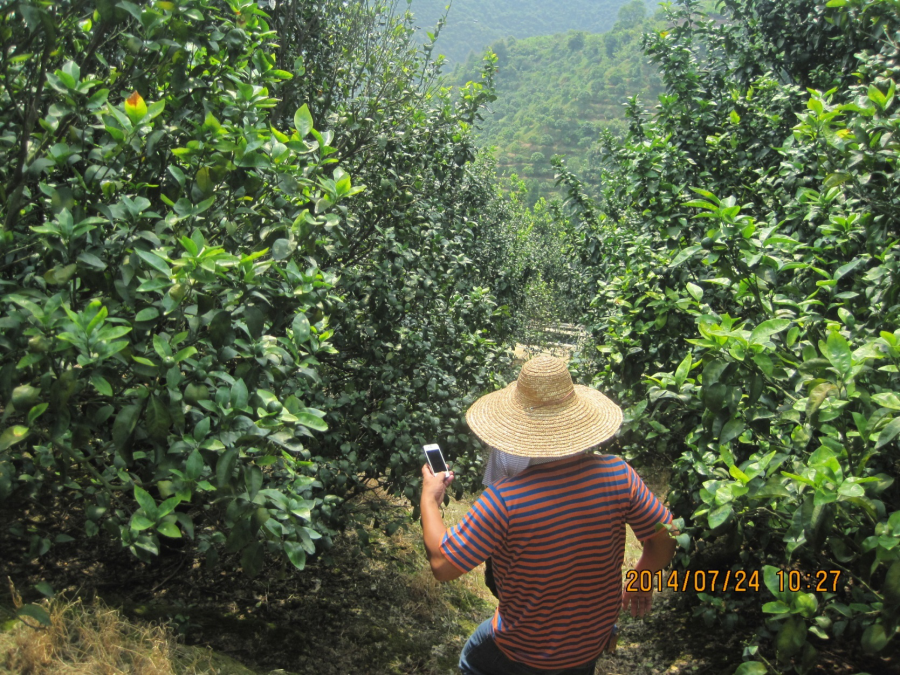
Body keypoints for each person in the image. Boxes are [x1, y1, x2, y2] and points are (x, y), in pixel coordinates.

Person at [420, 354, 676, 675]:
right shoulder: (618, 475)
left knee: (473, 660)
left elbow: (443, 566)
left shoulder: (504, 502)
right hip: (587, 646)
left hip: (522, 651)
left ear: (515, 433)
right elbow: (664, 537)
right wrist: (640, 581)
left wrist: (429, 500)